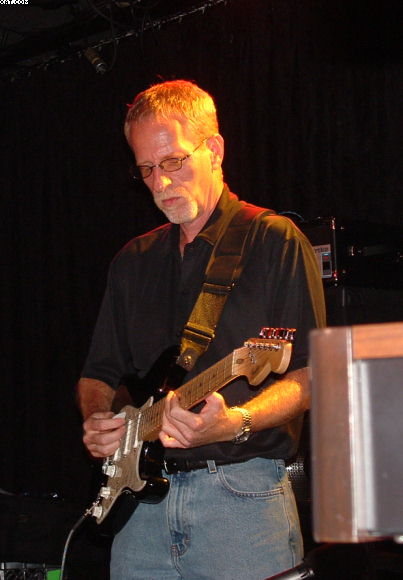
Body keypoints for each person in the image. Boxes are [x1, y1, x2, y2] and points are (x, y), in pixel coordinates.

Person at [77, 79, 326, 580]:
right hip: (138, 505)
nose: (159, 182)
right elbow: (97, 373)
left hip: (240, 497)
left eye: (172, 162)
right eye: (146, 169)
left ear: (214, 149)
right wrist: (99, 421)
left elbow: (311, 375)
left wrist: (236, 421)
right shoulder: (133, 260)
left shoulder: (273, 241)